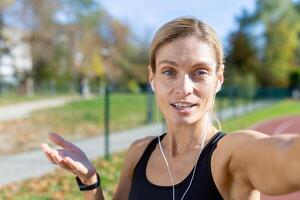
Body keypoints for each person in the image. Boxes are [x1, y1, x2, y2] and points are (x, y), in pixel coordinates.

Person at [41, 16, 300, 200]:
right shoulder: (139, 153)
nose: (184, 87)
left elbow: (288, 155)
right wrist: (90, 181)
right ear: (152, 78)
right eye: (169, 71)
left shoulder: (230, 155)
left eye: (199, 72)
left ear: (218, 79)